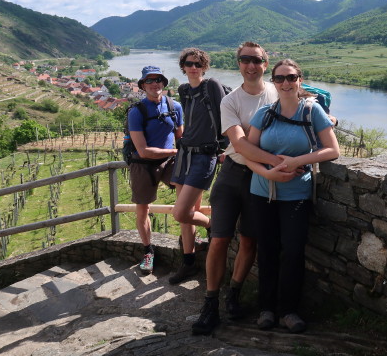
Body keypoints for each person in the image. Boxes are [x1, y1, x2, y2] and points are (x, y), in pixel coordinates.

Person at [191, 42, 299, 335]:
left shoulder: (279, 89)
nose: (250, 65)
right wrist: (276, 162)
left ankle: (234, 295)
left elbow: (312, 106)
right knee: (219, 239)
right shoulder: (230, 101)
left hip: (261, 178)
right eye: (244, 60)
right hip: (235, 175)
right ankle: (210, 304)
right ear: (238, 63)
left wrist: (332, 118)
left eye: (256, 60)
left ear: (266, 63)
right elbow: (239, 145)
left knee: (250, 240)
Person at [246, 59, 340, 333]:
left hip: (296, 194)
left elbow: (332, 150)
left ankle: (288, 310)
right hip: (262, 192)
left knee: (294, 252)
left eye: (291, 77)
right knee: (267, 251)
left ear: (299, 80)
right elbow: (247, 153)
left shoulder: (313, 112)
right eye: (279, 78)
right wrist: (267, 174)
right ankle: (266, 308)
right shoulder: (264, 114)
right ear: (273, 82)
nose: (285, 83)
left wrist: (295, 160)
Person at [169, 48, 224, 284]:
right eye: (190, 64)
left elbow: (226, 116)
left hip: (205, 155)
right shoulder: (183, 90)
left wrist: (225, 148)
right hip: (184, 154)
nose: (194, 67)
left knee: (181, 212)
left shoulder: (211, 86)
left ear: (204, 67)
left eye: (198, 64)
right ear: (183, 66)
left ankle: (212, 226)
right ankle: (188, 262)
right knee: (186, 216)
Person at [128, 66, 183, 274]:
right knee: (143, 210)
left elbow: (180, 137)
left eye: (158, 79)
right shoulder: (137, 111)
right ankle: (148, 250)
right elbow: (143, 151)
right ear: (143, 86)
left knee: (187, 190)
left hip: (169, 160)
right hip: (143, 165)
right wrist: (175, 151)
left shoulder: (175, 106)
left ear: (163, 83)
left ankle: (188, 237)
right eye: (149, 81)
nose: (154, 83)